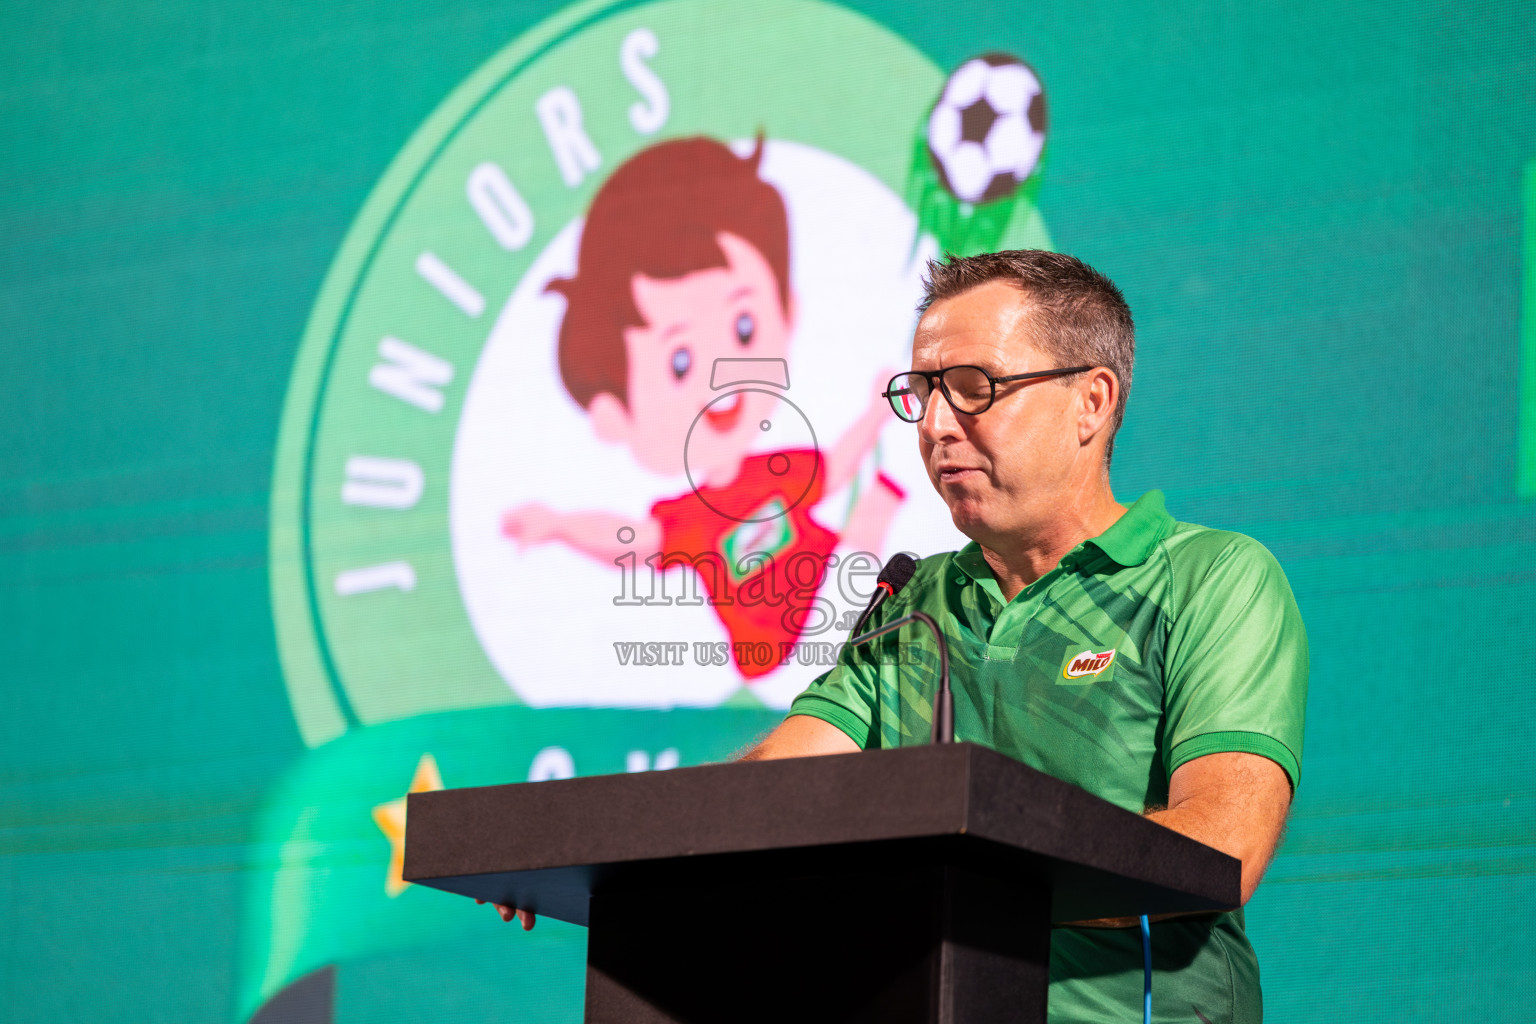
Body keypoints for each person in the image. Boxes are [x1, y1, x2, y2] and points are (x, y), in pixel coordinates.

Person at [488, 249, 1308, 1024]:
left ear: (1091, 401)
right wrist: (592, 856)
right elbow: (775, 788)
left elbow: (1223, 845)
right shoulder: (914, 600)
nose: (937, 424)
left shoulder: (1212, 578)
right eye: (923, 392)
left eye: (974, 386)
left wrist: (962, 883)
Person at [500, 136, 904, 679]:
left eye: (743, 329)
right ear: (617, 414)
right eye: (681, 361)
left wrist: (879, 411)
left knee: (871, 522)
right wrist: (560, 526)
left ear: (786, 312)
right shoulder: (686, 518)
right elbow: (633, 541)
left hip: (832, 609)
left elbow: (832, 469)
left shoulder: (775, 470)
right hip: (776, 661)